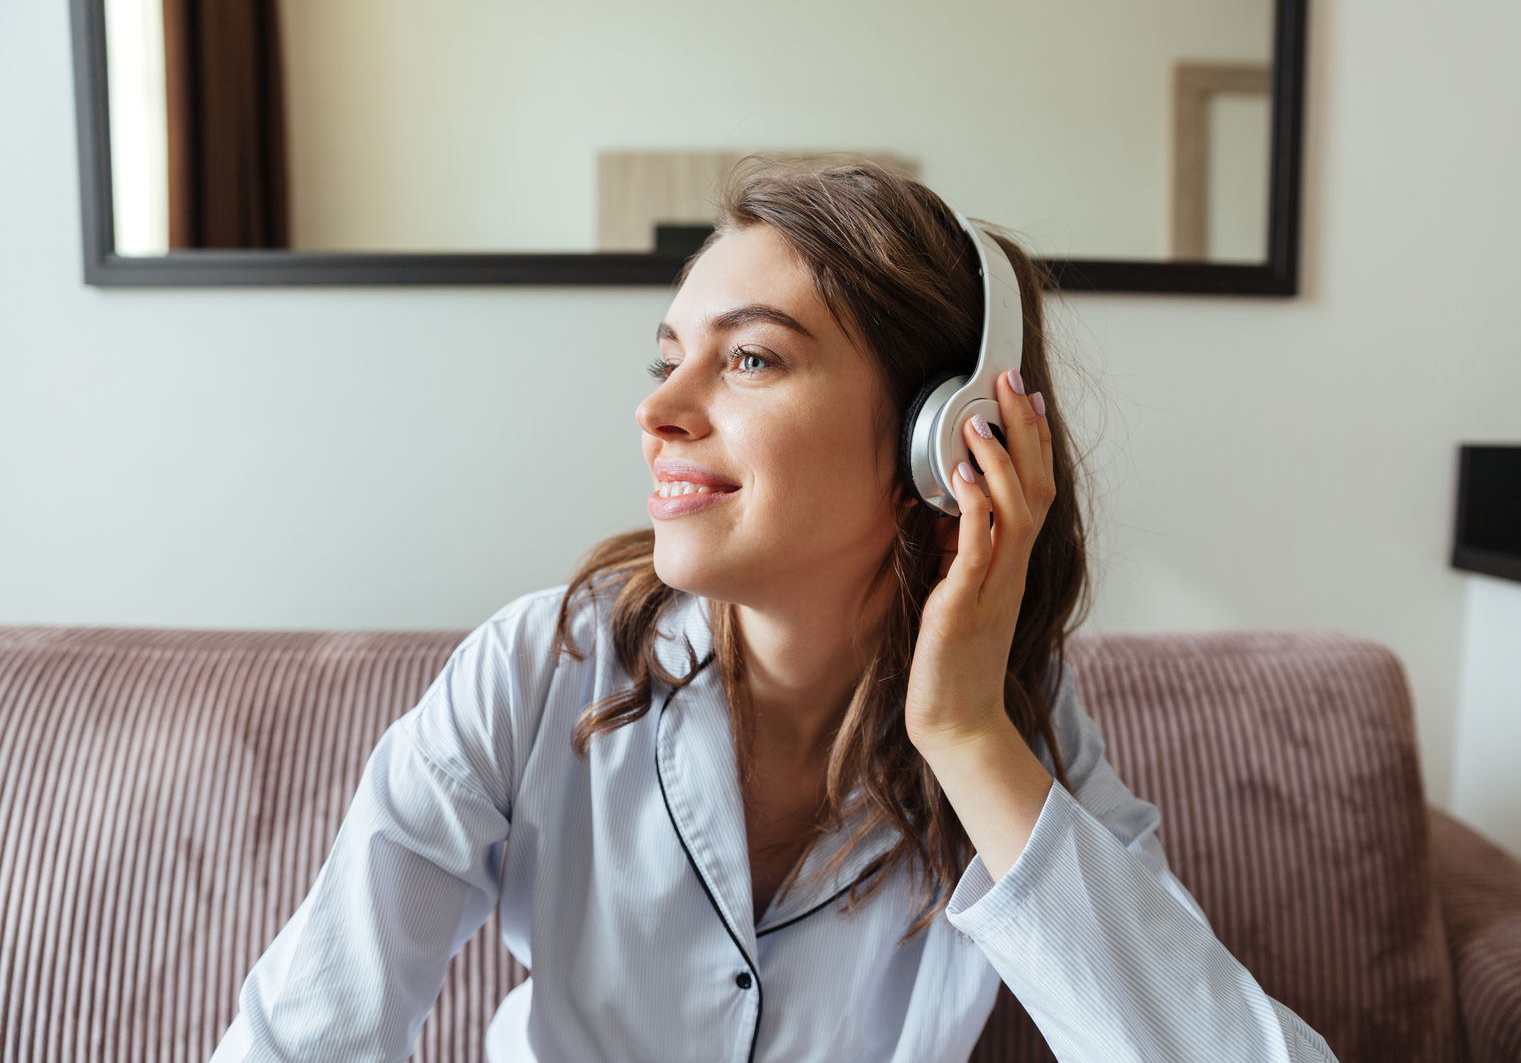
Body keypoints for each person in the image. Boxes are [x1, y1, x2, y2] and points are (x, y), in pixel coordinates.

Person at [209, 155, 1341, 1062]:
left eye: (749, 358)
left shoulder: (1015, 721)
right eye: (667, 358)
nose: (658, 409)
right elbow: (303, 1035)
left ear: (943, 444)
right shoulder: (535, 666)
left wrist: (962, 736)